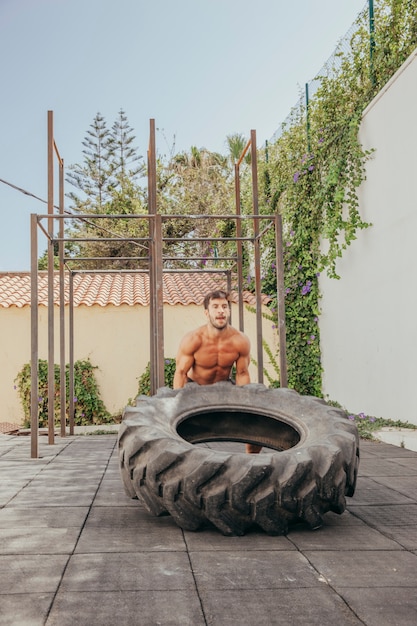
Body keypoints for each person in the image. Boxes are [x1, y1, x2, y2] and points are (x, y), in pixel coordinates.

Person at [173, 289, 262, 454]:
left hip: (224, 387)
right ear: (207, 313)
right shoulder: (193, 339)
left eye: (224, 306)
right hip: (194, 388)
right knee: (175, 431)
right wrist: (176, 406)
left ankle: (252, 461)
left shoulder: (240, 340)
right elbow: (180, 373)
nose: (221, 311)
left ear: (229, 310)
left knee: (256, 424)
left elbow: (242, 373)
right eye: (215, 307)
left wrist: (246, 406)